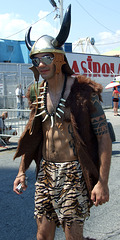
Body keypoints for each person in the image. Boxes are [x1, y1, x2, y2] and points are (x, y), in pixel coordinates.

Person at [13, 5, 112, 240]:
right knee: (42, 235)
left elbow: (104, 137)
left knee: (72, 237)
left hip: (73, 173)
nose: (41, 64)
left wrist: (103, 182)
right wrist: (21, 171)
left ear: (59, 57)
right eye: (36, 59)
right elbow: (32, 134)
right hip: (46, 171)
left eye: (46, 57)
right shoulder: (36, 92)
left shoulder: (83, 93)